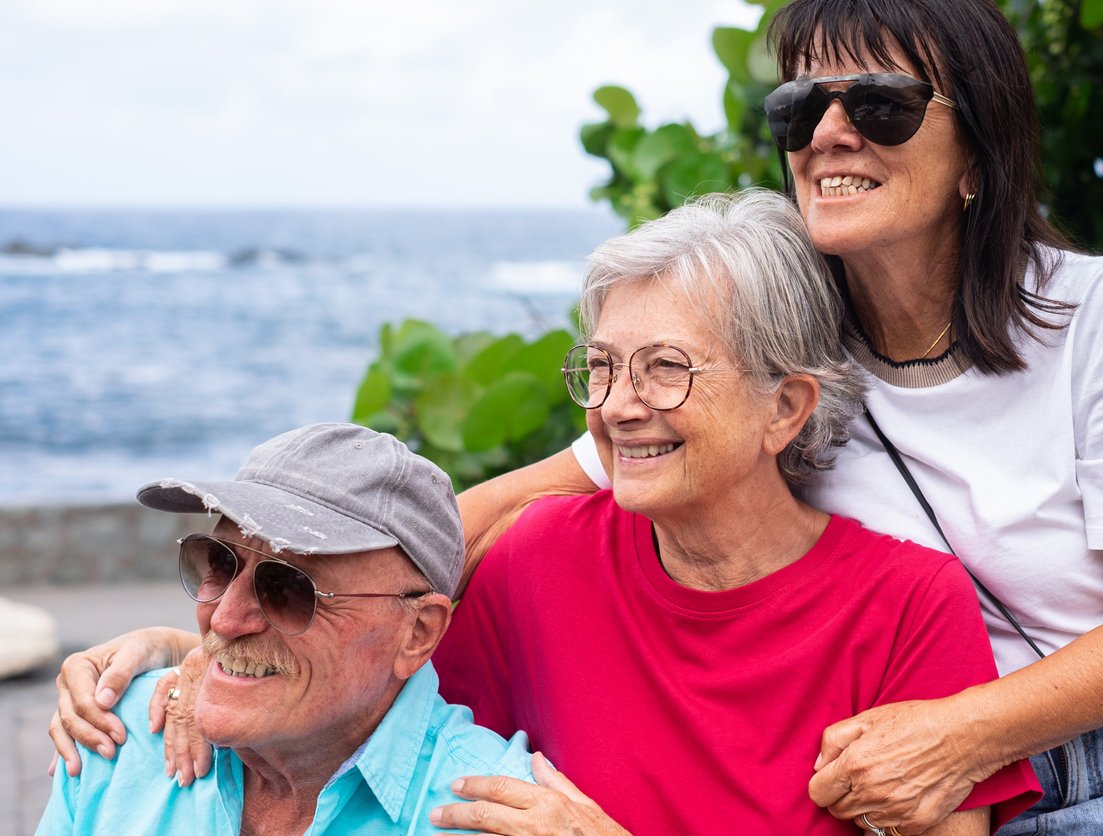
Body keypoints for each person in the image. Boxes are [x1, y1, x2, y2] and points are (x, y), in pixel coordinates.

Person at [453, 0, 1103, 832]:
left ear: (977, 150)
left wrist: (956, 733)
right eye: (800, 108)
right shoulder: (770, 348)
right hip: (929, 785)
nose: (829, 133)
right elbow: (518, 502)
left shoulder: (1094, 313)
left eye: (881, 105)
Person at [49, 191, 1041, 834]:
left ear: (785, 406)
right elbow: (364, 668)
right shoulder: (542, 558)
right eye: (601, 368)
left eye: (665, 369)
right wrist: (199, 651)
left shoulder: (907, 603)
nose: (614, 404)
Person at [38, 423, 534, 834]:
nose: (226, 619)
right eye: (219, 561)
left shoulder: (499, 818)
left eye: (291, 588)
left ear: (418, 633)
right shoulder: (115, 735)